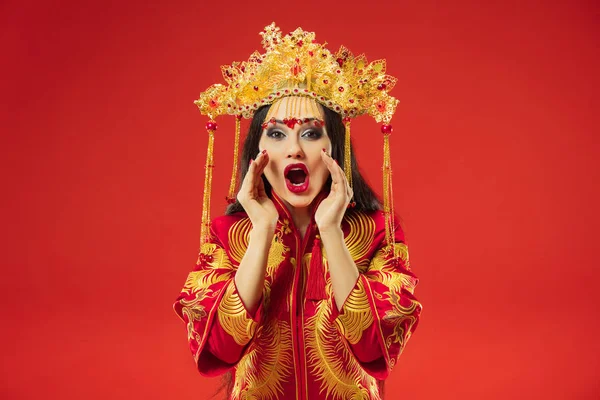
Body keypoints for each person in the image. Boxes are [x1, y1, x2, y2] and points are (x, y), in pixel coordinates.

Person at [173, 23, 423, 400]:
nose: (294, 150)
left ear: (334, 147)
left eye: (310, 133)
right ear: (258, 151)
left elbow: (376, 348)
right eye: (276, 134)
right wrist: (260, 231)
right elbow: (218, 351)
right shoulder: (228, 236)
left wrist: (333, 232)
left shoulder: (376, 233)